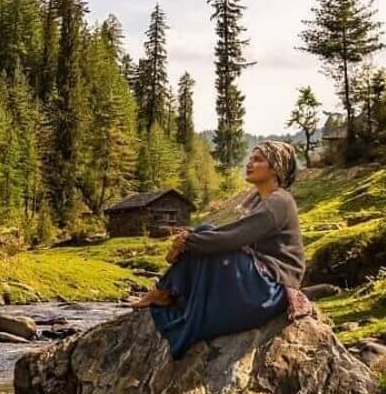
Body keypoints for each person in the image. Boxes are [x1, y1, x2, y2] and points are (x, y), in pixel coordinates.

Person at [129, 140, 305, 359]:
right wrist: (192, 239)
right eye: (250, 159)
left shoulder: (279, 201)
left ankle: (164, 290)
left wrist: (188, 242)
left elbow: (234, 237)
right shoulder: (263, 201)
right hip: (261, 280)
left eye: (258, 160)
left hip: (271, 288)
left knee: (206, 236)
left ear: (275, 168)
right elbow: (229, 235)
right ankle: (165, 290)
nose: (249, 164)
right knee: (205, 231)